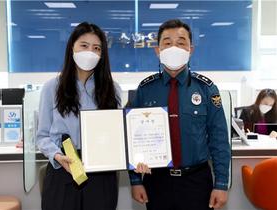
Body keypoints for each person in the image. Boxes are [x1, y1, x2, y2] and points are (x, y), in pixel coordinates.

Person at [128, 19, 231, 210]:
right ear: (157, 50)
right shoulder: (145, 90)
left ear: (190, 49)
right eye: (167, 43)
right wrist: (135, 181)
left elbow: (219, 140)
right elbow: (132, 139)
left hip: (197, 182)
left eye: (181, 42)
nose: (174, 47)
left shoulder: (207, 89)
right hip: (157, 182)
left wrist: (222, 184)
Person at [36, 22, 121, 210]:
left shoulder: (112, 90)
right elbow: (42, 136)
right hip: (64, 169)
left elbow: (116, 135)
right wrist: (57, 156)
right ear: (72, 47)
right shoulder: (52, 88)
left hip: (102, 173)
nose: (90, 52)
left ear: (102, 54)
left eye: (96, 48)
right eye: (84, 45)